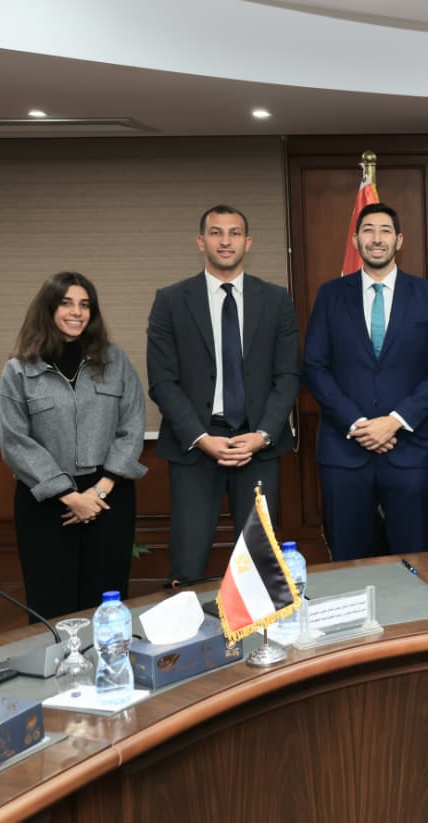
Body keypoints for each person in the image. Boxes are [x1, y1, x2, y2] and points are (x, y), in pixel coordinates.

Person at [147, 205, 301, 585]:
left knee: (259, 564)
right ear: (201, 242)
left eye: (235, 233)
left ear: (248, 242)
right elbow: (162, 381)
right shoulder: (171, 300)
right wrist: (201, 438)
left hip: (258, 444)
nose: (226, 241)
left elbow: (288, 375)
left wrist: (262, 435)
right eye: (216, 232)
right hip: (195, 447)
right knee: (187, 563)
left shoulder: (276, 300)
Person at [305, 202, 428, 559]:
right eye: (368, 230)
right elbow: (314, 366)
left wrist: (394, 421)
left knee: (413, 562)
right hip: (345, 452)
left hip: (411, 450)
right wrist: (357, 423)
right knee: (348, 562)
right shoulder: (330, 295)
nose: (377, 238)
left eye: (385, 231)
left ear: (399, 240)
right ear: (355, 240)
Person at [0, 272, 147, 620]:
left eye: (85, 304)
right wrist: (70, 496)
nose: (77, 312)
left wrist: (100, 490)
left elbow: (132, 424)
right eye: (66, 303)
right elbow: (16, 441)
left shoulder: (115, 360)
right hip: (46, 502)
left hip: (108, 496)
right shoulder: (19, 369)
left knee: (106, 603)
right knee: (52, 604)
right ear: (48, 309)